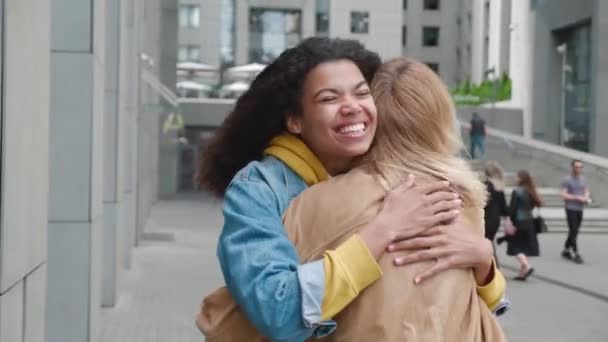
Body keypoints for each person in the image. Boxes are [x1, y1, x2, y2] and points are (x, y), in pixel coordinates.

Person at [197, 55, 508, 341]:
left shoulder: (324, 201)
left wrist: (484, 262)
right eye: (330, 98)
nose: (351, 107)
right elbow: (279, 311)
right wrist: (381, 230)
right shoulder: (265, 190)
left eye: (361, 93)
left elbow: (459, 301)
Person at [507, 170, 542, 281]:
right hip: (529, 221)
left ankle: (526, 266)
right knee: (525, 247)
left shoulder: (516, 191)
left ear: (521, 179)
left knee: (514, 245)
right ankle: (522, 273)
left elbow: (512, 209)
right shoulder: (531, 191)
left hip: (518, 221)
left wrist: (509, 220)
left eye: (517, 177)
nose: (515, 179)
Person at [560, 159, 591, 264]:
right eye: (576, 167)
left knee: (575, 230)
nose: (578, 169)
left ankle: (565, 250)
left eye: (580, 167)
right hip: (570, 208)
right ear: (572, 167)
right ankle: (576, 253)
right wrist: (577, 198)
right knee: (573, 229)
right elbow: (563, 194)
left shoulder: (583, 179)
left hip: (580, 209)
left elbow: (586, 190)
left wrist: (586, 197)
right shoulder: (567, 179)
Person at [484, 161, 509, 266]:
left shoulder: (487, 185)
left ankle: (494, 266)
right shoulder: (499, 187)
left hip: (487, 217)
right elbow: (504, 208)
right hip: (496, 219)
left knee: (487, 241)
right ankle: (494, 265)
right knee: (489, 240)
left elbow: (484, 202)